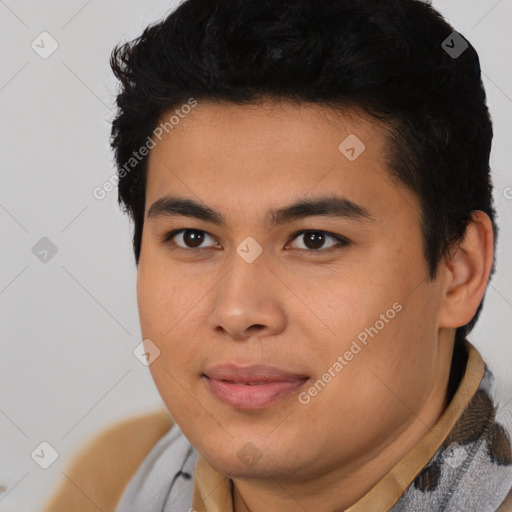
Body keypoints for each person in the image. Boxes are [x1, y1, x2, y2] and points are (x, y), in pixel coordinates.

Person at [43, 0, 512, 510]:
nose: (238, 312)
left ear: (459, 271)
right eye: (193, 238)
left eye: (315, 240)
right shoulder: (114, 476)